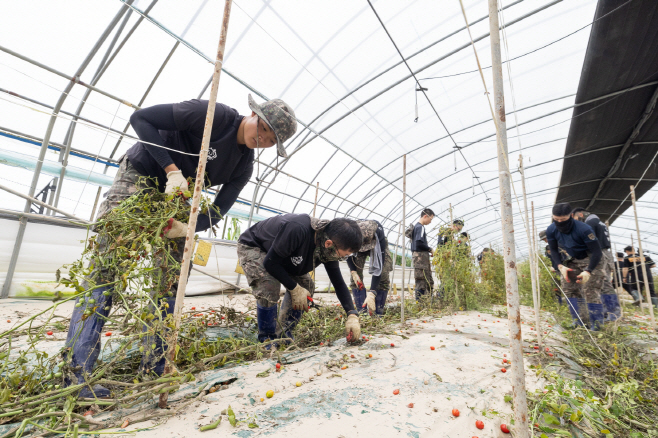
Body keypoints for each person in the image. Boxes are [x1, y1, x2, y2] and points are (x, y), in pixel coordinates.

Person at [64, 95, 297, 398]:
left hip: (177, 203)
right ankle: (78, 377)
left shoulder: (242, 165)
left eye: (270, 141)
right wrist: (172, 169)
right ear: (253, 113)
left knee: (170, 282)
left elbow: (219, 209)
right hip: (142, 175)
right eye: (263, 129)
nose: (262, 139)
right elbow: (141, 120)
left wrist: (189, 227)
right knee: (107, 272)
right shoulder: (211, 115)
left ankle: (155, 368)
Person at [237, 215, 364, 344]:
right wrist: (294, 288)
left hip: (284, 256)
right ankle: (267, 339)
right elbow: (270, 263)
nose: (342, 258)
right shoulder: (298, 229)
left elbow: (338, 282)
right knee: (269, 286)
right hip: (256, 246)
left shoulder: (328, 249)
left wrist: (352, 314)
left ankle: (283, 335)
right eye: (344, 256)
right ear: (329, 244)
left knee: (306, 286)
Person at [546, 203, 604, 329]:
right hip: (573, 259)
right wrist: (560, 266)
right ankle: (579, 321)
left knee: (590, 291)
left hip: (591, 259)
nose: (560, 222)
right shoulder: (551, 230)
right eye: (556, 219)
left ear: (571, 216)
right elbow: (554, 250)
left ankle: (597, 324)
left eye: (563, 219)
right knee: (568, 288)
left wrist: (588, 271)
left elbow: (597, 252)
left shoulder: (584, 229)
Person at [571, 208, 620, 321]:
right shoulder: (597, 221)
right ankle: (608, 312)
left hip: (601, 253)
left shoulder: (590, 222)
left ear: (580, 215)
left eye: (576, 219)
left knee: (604, 283)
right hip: (605, 252)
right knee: (602, 282)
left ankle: (614, 313)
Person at [347, 220, 393, 315]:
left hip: (376, 243)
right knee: (356, 280)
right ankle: (361, 312)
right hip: (357, 245)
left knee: (384, 274)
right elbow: (348, 254)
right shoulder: (350, 232)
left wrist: (372, 292)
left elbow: (379, 267)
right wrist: (353, 272)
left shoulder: (379, 236)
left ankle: (377, 313)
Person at [411, 208, 435, 300]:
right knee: (422, 281)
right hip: (420, 258)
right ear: (425, 216)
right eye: (431, 219)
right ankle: (420, 303)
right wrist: (430, 249)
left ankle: (423, 303)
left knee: (423, 280)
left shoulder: (416, 227)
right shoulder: (420, 227)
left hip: (418, 258)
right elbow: (419, 243)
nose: (430, 221)